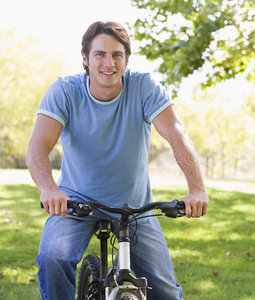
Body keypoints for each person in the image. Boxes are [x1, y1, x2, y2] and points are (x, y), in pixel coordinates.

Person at [26, 21, 209, 300]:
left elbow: (176, 134)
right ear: (85, 59)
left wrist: (197, 187)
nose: (108, 63)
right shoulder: (64, 90)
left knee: (166, 293)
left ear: (126, 59)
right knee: (54, 258)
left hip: (134, 206)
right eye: (100, 54)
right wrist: (49, 189)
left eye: (117, 55)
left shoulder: (144, 87)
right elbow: (38, 147)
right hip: (77, 203)